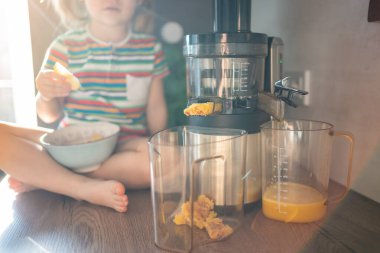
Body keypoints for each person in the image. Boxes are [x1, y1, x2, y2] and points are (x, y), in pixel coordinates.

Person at [0, 0, 168, 212]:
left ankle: (48, 178)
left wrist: (163, 147)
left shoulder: (150, 49)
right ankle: (82, 187)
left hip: (123, 147)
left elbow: (156, 109)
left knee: (159, 159)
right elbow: (49, 114)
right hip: (69, 147)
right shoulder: (65, 47)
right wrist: (46, 94)